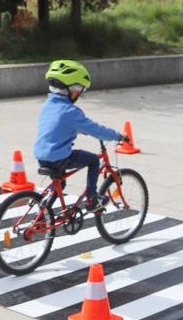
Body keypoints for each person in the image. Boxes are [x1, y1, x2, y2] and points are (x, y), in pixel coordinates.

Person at [33, 60, 128, 212]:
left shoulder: (47, 105)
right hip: (59, 157)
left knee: (60, 183)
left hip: (41, 156)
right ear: (72, 88)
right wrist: (118, 136)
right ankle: (92, 199)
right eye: (80, 90)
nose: (79, 94)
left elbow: (57, 126)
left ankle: (44, 212)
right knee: (93, 160)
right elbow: (96, 130)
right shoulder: (71, 112)